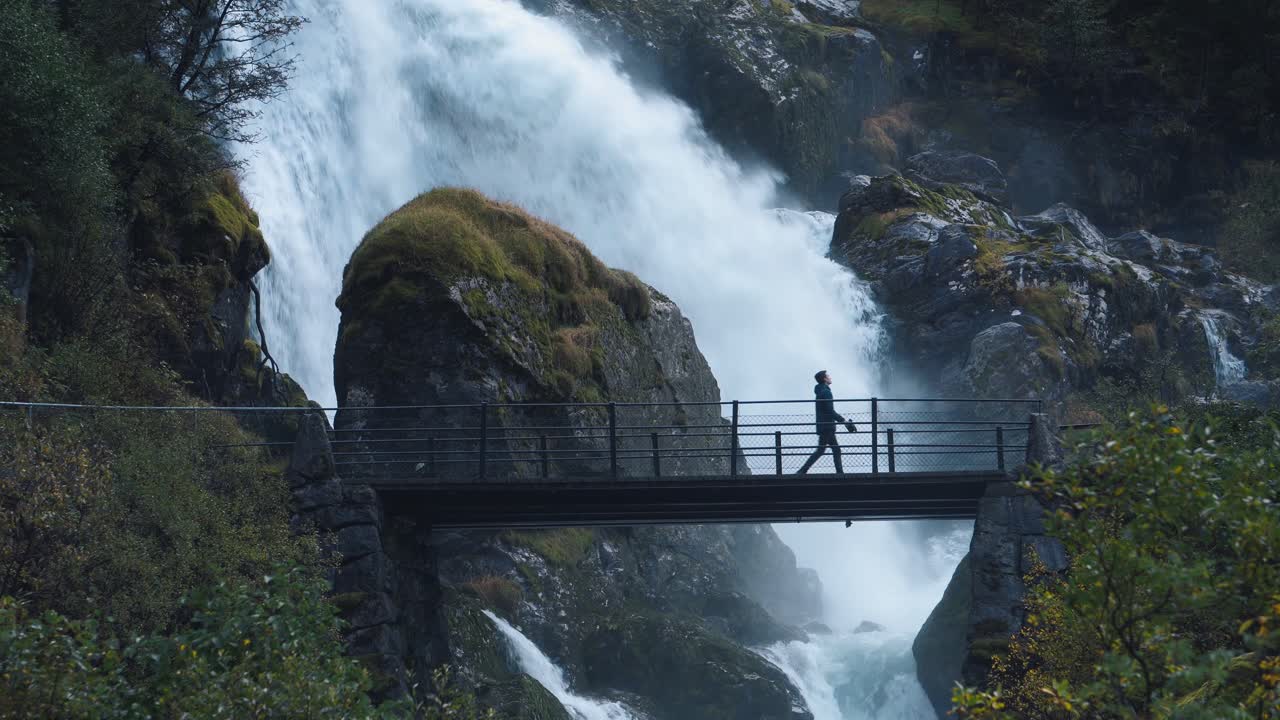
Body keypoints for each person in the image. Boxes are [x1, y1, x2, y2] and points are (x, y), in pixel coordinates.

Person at [796, 370, 858, 475]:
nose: (830, 377)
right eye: (828, 376)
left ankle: (803, 470)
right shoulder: (826, 392)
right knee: (828, 450)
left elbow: (826, 410)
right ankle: (839, 474)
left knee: (827, 450)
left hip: (823, 425)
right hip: (827, 426)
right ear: (824, 379)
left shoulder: (820, 391)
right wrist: (843, 421)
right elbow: (830, 410)